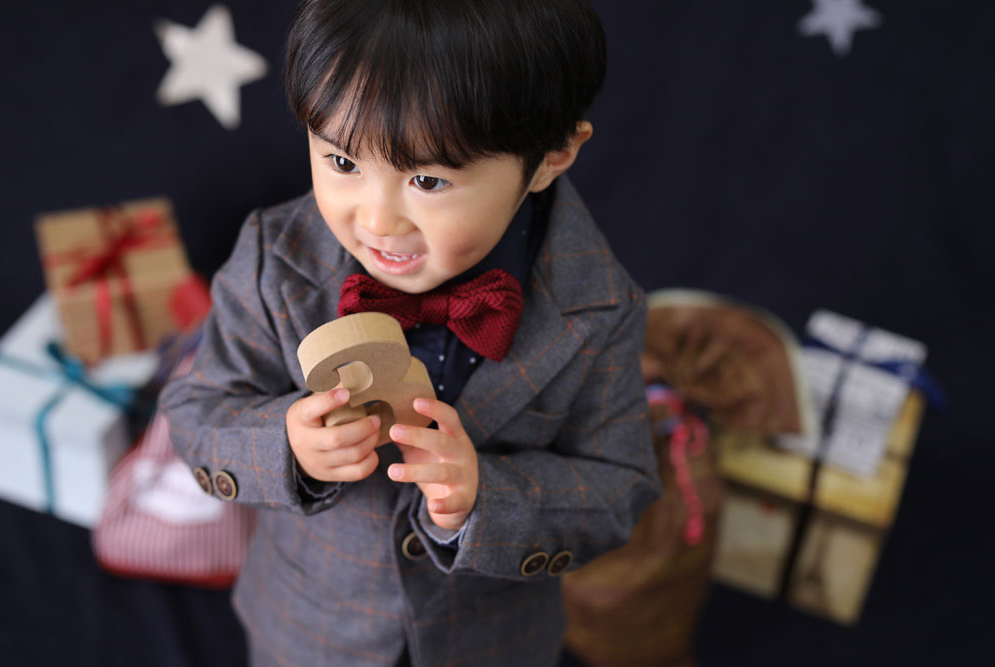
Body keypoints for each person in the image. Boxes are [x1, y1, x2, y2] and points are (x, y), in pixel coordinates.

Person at [160, 0, 660, 664]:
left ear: (553, 155)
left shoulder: (599, 308)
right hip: (309, 632)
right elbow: (195, 412)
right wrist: (287, 444)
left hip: (490, 644)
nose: (377, 220)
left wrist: (486, 496)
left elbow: (619, 487)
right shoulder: (272, 261)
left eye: (427, 180)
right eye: (343, 163)